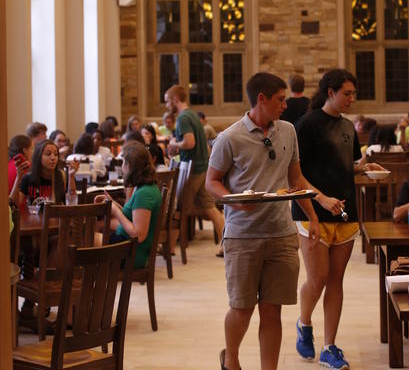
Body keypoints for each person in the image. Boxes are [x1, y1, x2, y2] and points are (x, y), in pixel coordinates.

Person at [206, 72, 335, 370]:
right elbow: (211, 183)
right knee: (241, 308)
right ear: (261, 99)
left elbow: (296, 178)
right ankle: (233, 360)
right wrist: (235, 203)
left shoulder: (288, 131)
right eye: (280, 99)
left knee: (272, 310)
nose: (285, 105)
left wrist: (312, 215)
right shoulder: (229, 137)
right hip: (242, 236)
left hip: (281, 233)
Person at [293, 69, 383, 369]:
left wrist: (366, 169)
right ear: (330, 92)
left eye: (353, 93)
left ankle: (330, 346)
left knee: (335, 281)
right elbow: (295, 174)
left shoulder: (347, 127)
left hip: (346, 213)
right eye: (347, 93)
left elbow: (345, 166)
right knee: (317, 279)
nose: (351, 99)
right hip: (313, 213)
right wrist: (320, 197)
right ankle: (304, 323)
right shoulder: (306, 125)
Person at [164, 85, 224, 257]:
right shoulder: (193, 115)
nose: (167, 105)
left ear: (176, 99)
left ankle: (169, 249)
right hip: (202, 167)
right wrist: (178, 146)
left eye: (168, 101)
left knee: (179, 209)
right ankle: (226, 245)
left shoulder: (183, 118)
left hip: (192, 170)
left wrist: (175, 143)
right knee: (210, 209)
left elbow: (190, 143)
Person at [94, 141, 162, 269]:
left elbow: (138, 235)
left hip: (131, 253)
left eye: (124, 162)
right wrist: (113, 203)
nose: (122, 166)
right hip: (124, 244)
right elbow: (132, 214)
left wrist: (116, 211)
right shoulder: (143, 187)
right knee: (84, 233)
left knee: (83, 237)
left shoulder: (145, 193)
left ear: (130, 166)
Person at [15, 139, 77, 206]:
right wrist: (18, 177)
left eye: (56, 154)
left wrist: (71, 176)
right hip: (35, 216)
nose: (53, 158)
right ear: (38, 157)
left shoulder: (62, 175)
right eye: (48, 154)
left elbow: (72, 204)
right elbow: (15, 203)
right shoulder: (28, 178)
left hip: (57, 216)